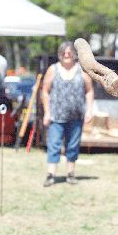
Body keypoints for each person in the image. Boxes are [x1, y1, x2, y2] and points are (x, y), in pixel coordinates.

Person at [42, 41, 94, 186]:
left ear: (74, 55)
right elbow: (45, 92)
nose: (67, 55)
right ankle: (50, 174)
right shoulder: (53, 70)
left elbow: (89, 91)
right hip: (56, 116)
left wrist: (89, 110)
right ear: (60, 54)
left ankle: (70, 174)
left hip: (76, 116)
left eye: (70, 53)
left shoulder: (81, 70)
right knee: (54, 145)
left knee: (72, 145)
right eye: (64, 53)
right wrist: (47, 112)